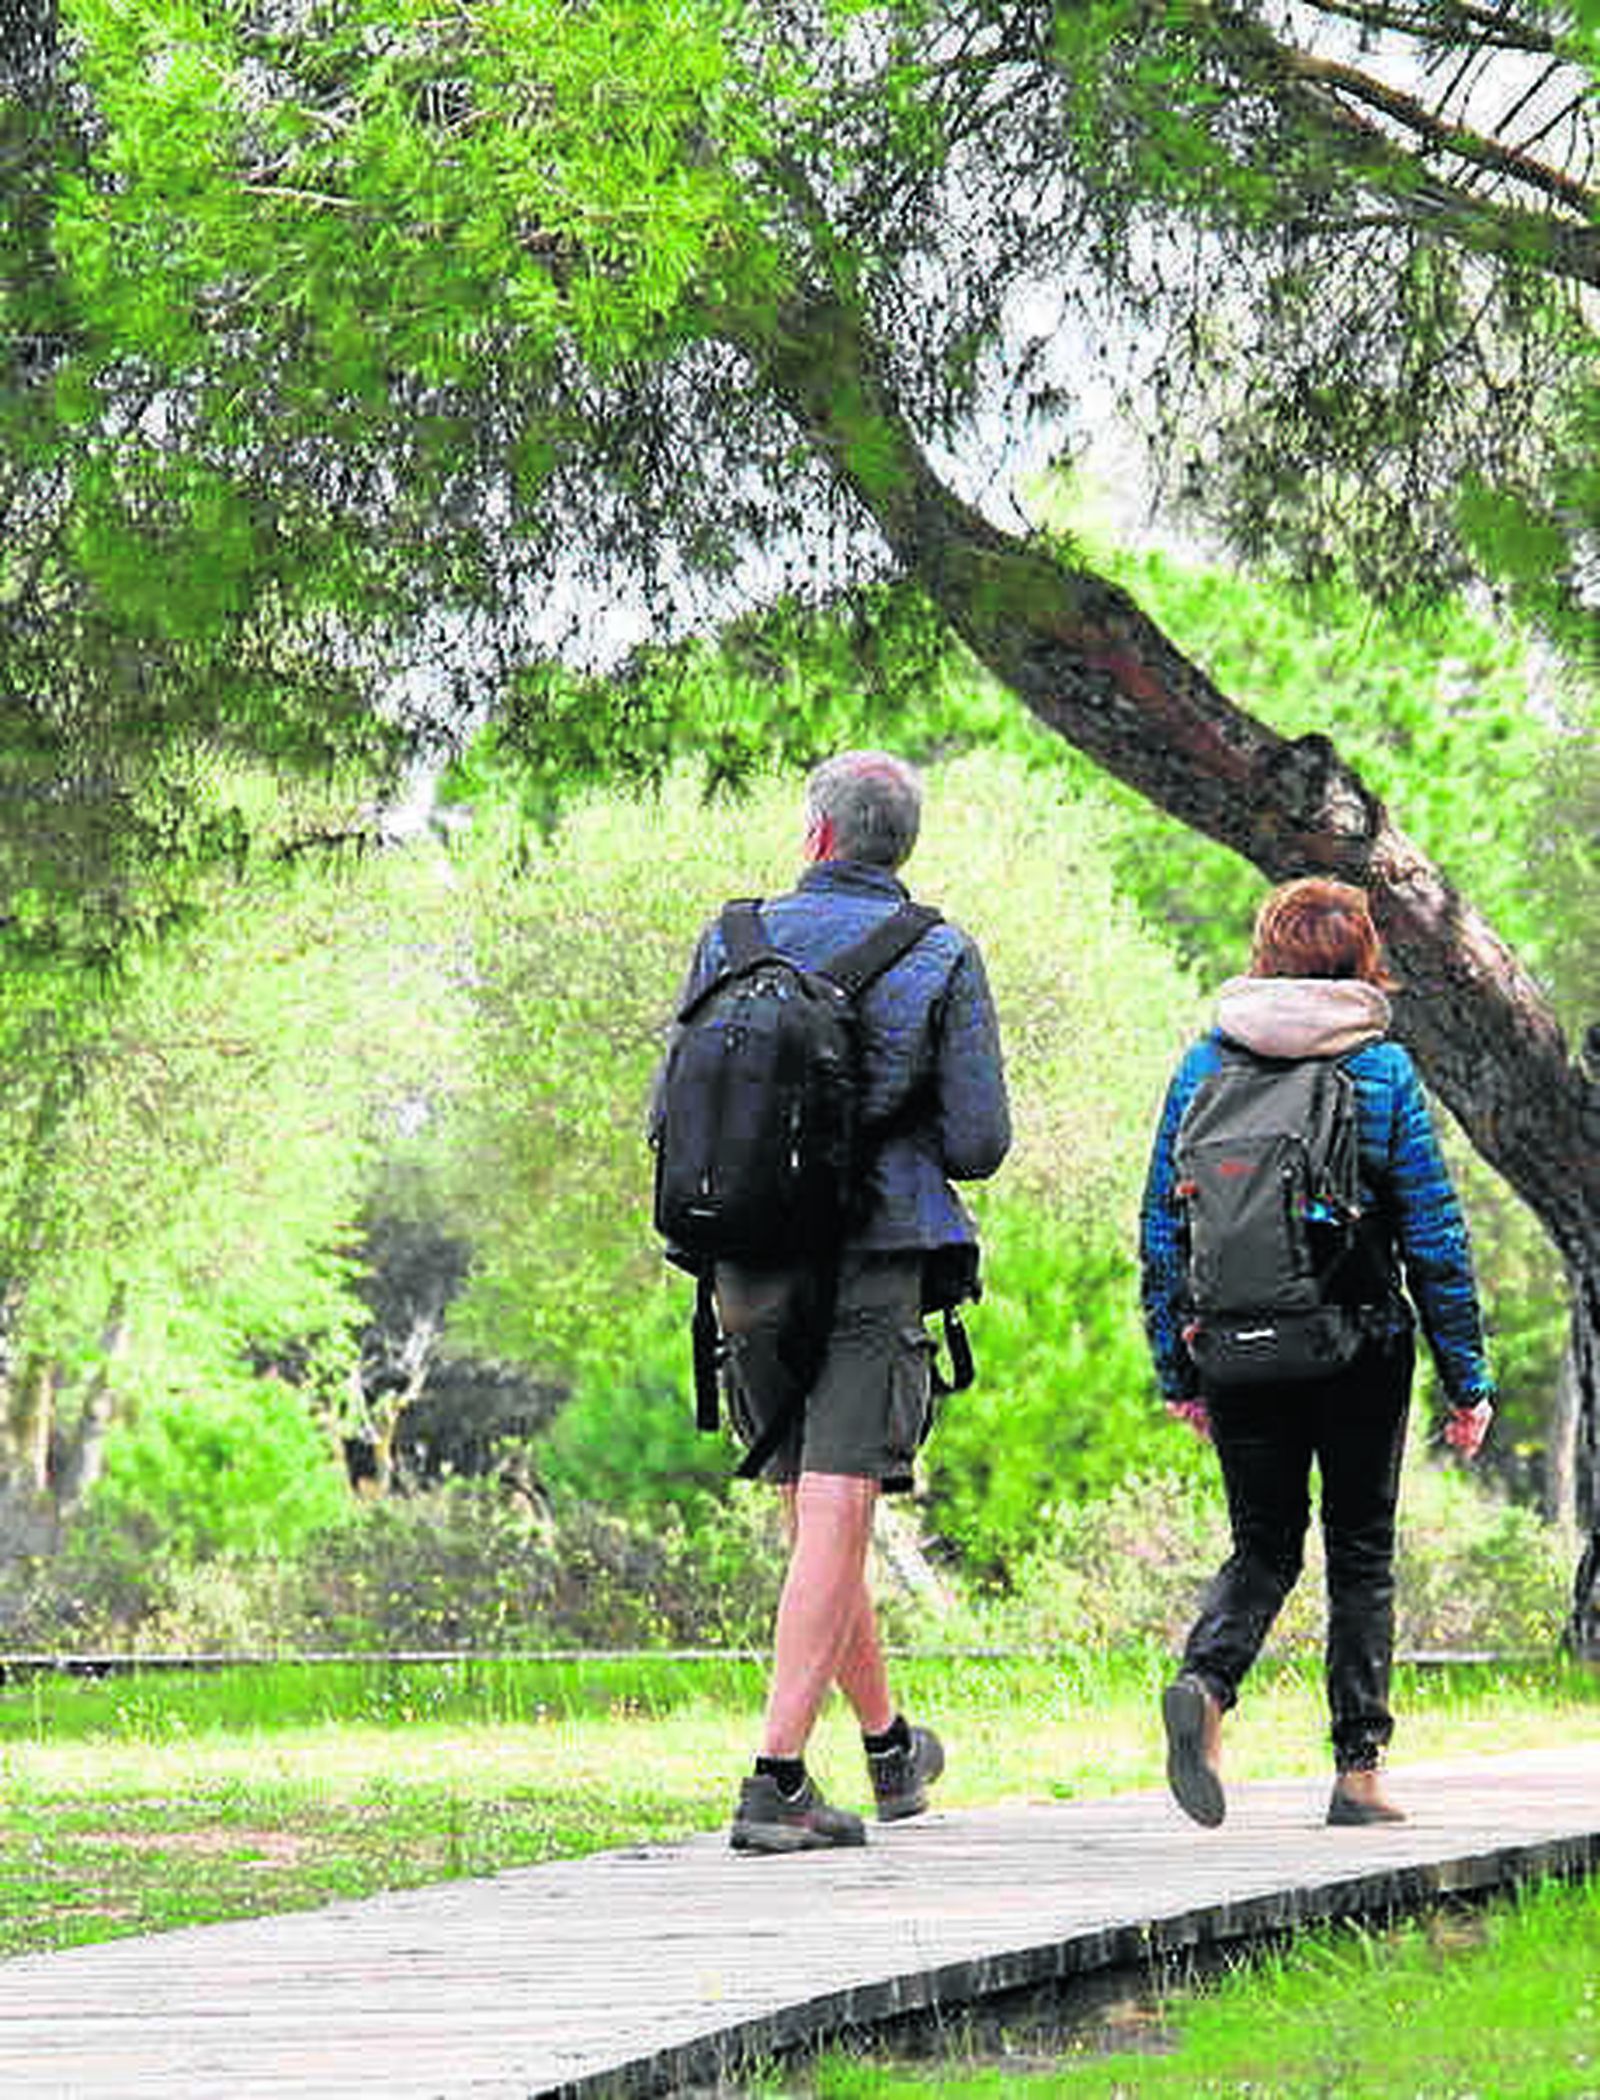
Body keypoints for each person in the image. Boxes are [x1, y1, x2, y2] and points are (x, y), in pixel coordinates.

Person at [660, 751, 1010, 1853]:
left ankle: (891, 1744)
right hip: (875, 1250)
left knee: (816, 1507)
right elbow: (977, 1143)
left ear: (815, 835)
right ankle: (774, 1781)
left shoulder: (731, 937)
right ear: (898, 845)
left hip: (745, 1254)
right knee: (839, 1505)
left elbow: (673, 1099)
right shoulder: (941, 952)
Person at [1139, 877, 1495, 1829]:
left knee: (1263, 1542)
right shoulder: (1381, 1071)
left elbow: (1162, 1228)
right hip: (1359, 1345)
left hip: (1236, 1345)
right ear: (1360, 958)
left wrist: (1180, 1364)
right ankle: (1359, 1772)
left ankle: (1207, 1686)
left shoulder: (1202, 1065)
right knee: (1360, 1550)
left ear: (1266, 952)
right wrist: (1469, 1377)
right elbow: (1434, 1235)